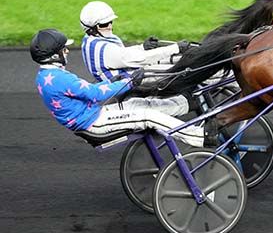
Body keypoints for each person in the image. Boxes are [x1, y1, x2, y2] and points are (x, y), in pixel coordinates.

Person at [31, 28, 211, 147]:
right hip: (94, 123)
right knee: (148, 116)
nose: (67, 51)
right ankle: (198, 136)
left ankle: (185, 103)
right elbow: (94, 94)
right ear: (54, 56)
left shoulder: (45, 76)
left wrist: (115, 81)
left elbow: (87, 91)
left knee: (136, 103)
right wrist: (129, 82)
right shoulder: (59, 78)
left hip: (93, 115)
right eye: (63, 49)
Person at [79, 0, 191, 82]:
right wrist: (175, 48)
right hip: (129, 83)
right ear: (91, 28)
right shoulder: (104, 49)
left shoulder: (90, 39)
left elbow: (122, 54)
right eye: (104, 24)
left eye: (111, 22)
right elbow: (140, 59)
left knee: (174, 60)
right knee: (182, 71)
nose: (110, 26)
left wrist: (142, 47)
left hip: (129, 74)